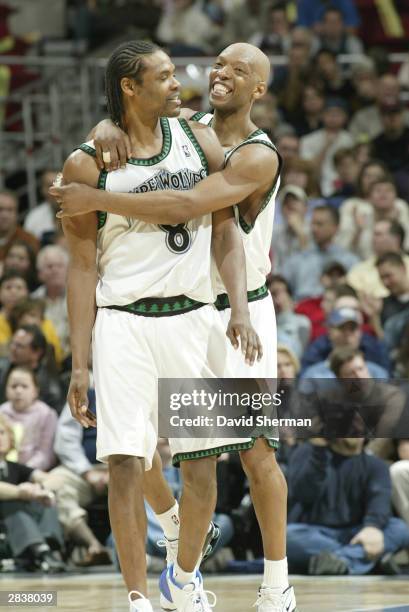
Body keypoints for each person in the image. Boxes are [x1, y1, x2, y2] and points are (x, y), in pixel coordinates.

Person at [52, 41, 297, 612]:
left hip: (239, 306)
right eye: (217, 64)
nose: (217, 74)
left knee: (253, 450)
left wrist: (95, 195)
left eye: (239, 70)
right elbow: (127, 110)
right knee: (130, 450)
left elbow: (187, 206)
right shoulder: (189, 123)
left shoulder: (255, 155)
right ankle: (173, 536)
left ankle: (275, 583)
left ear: (259, 89)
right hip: (159, 309)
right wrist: (106, 123)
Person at [0, 414, 65, 572]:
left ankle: (48, 546)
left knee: (47, 499)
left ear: (10, 437)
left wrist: (41, 490)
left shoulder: (14, 467)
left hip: (18, 526)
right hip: (6, 522)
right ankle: (41, 552)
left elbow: (57, 480)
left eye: (2, 433)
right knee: (12, 504)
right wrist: (22, 492)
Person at [0, 366, 57, 471]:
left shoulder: (46, 414)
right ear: (6, 390)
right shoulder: (2, 411)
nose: (18, 391)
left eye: (24, 386)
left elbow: (45, 454)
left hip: (33, 471)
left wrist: (24, 472)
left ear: (35, 391)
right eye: (13, 386)